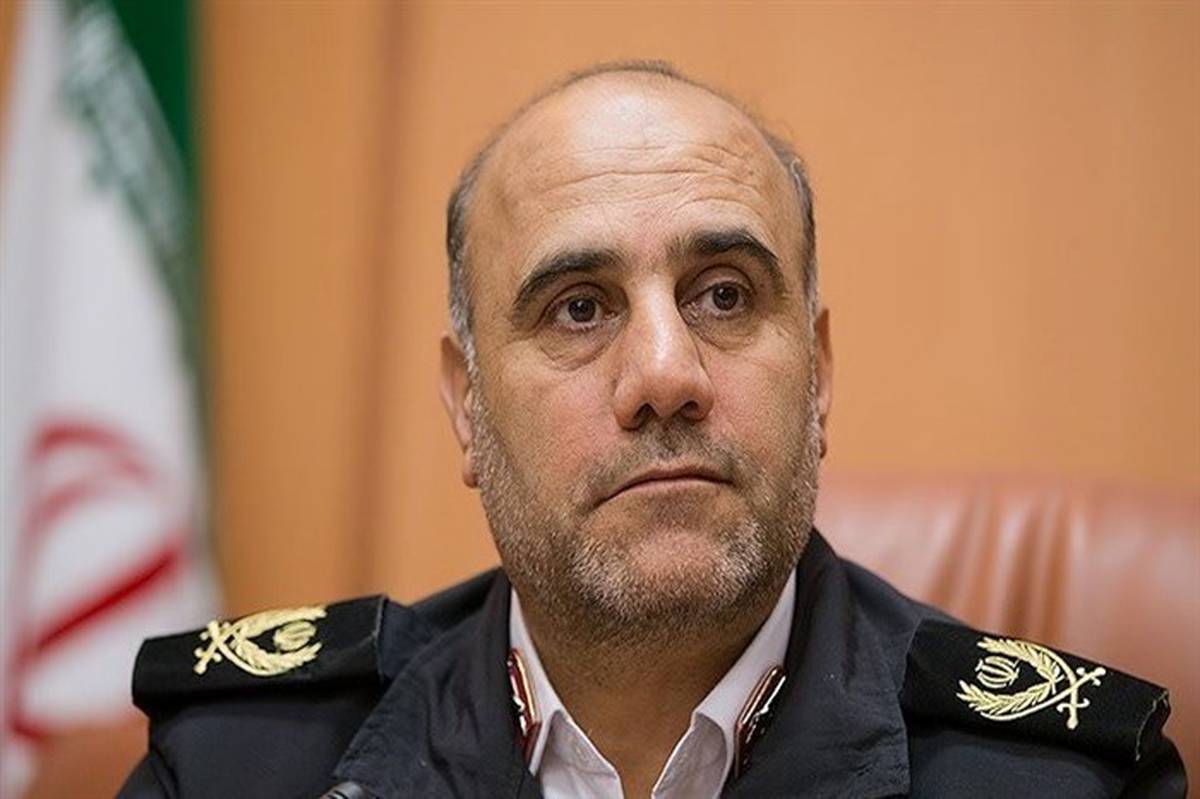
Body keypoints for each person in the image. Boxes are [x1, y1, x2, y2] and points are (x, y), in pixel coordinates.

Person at [118, 62, 1186, 798]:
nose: (667, 375)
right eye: (578, 307)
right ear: (466, 404)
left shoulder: (1061, 778)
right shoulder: (236, 761)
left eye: (724, 295)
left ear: (818, 374)